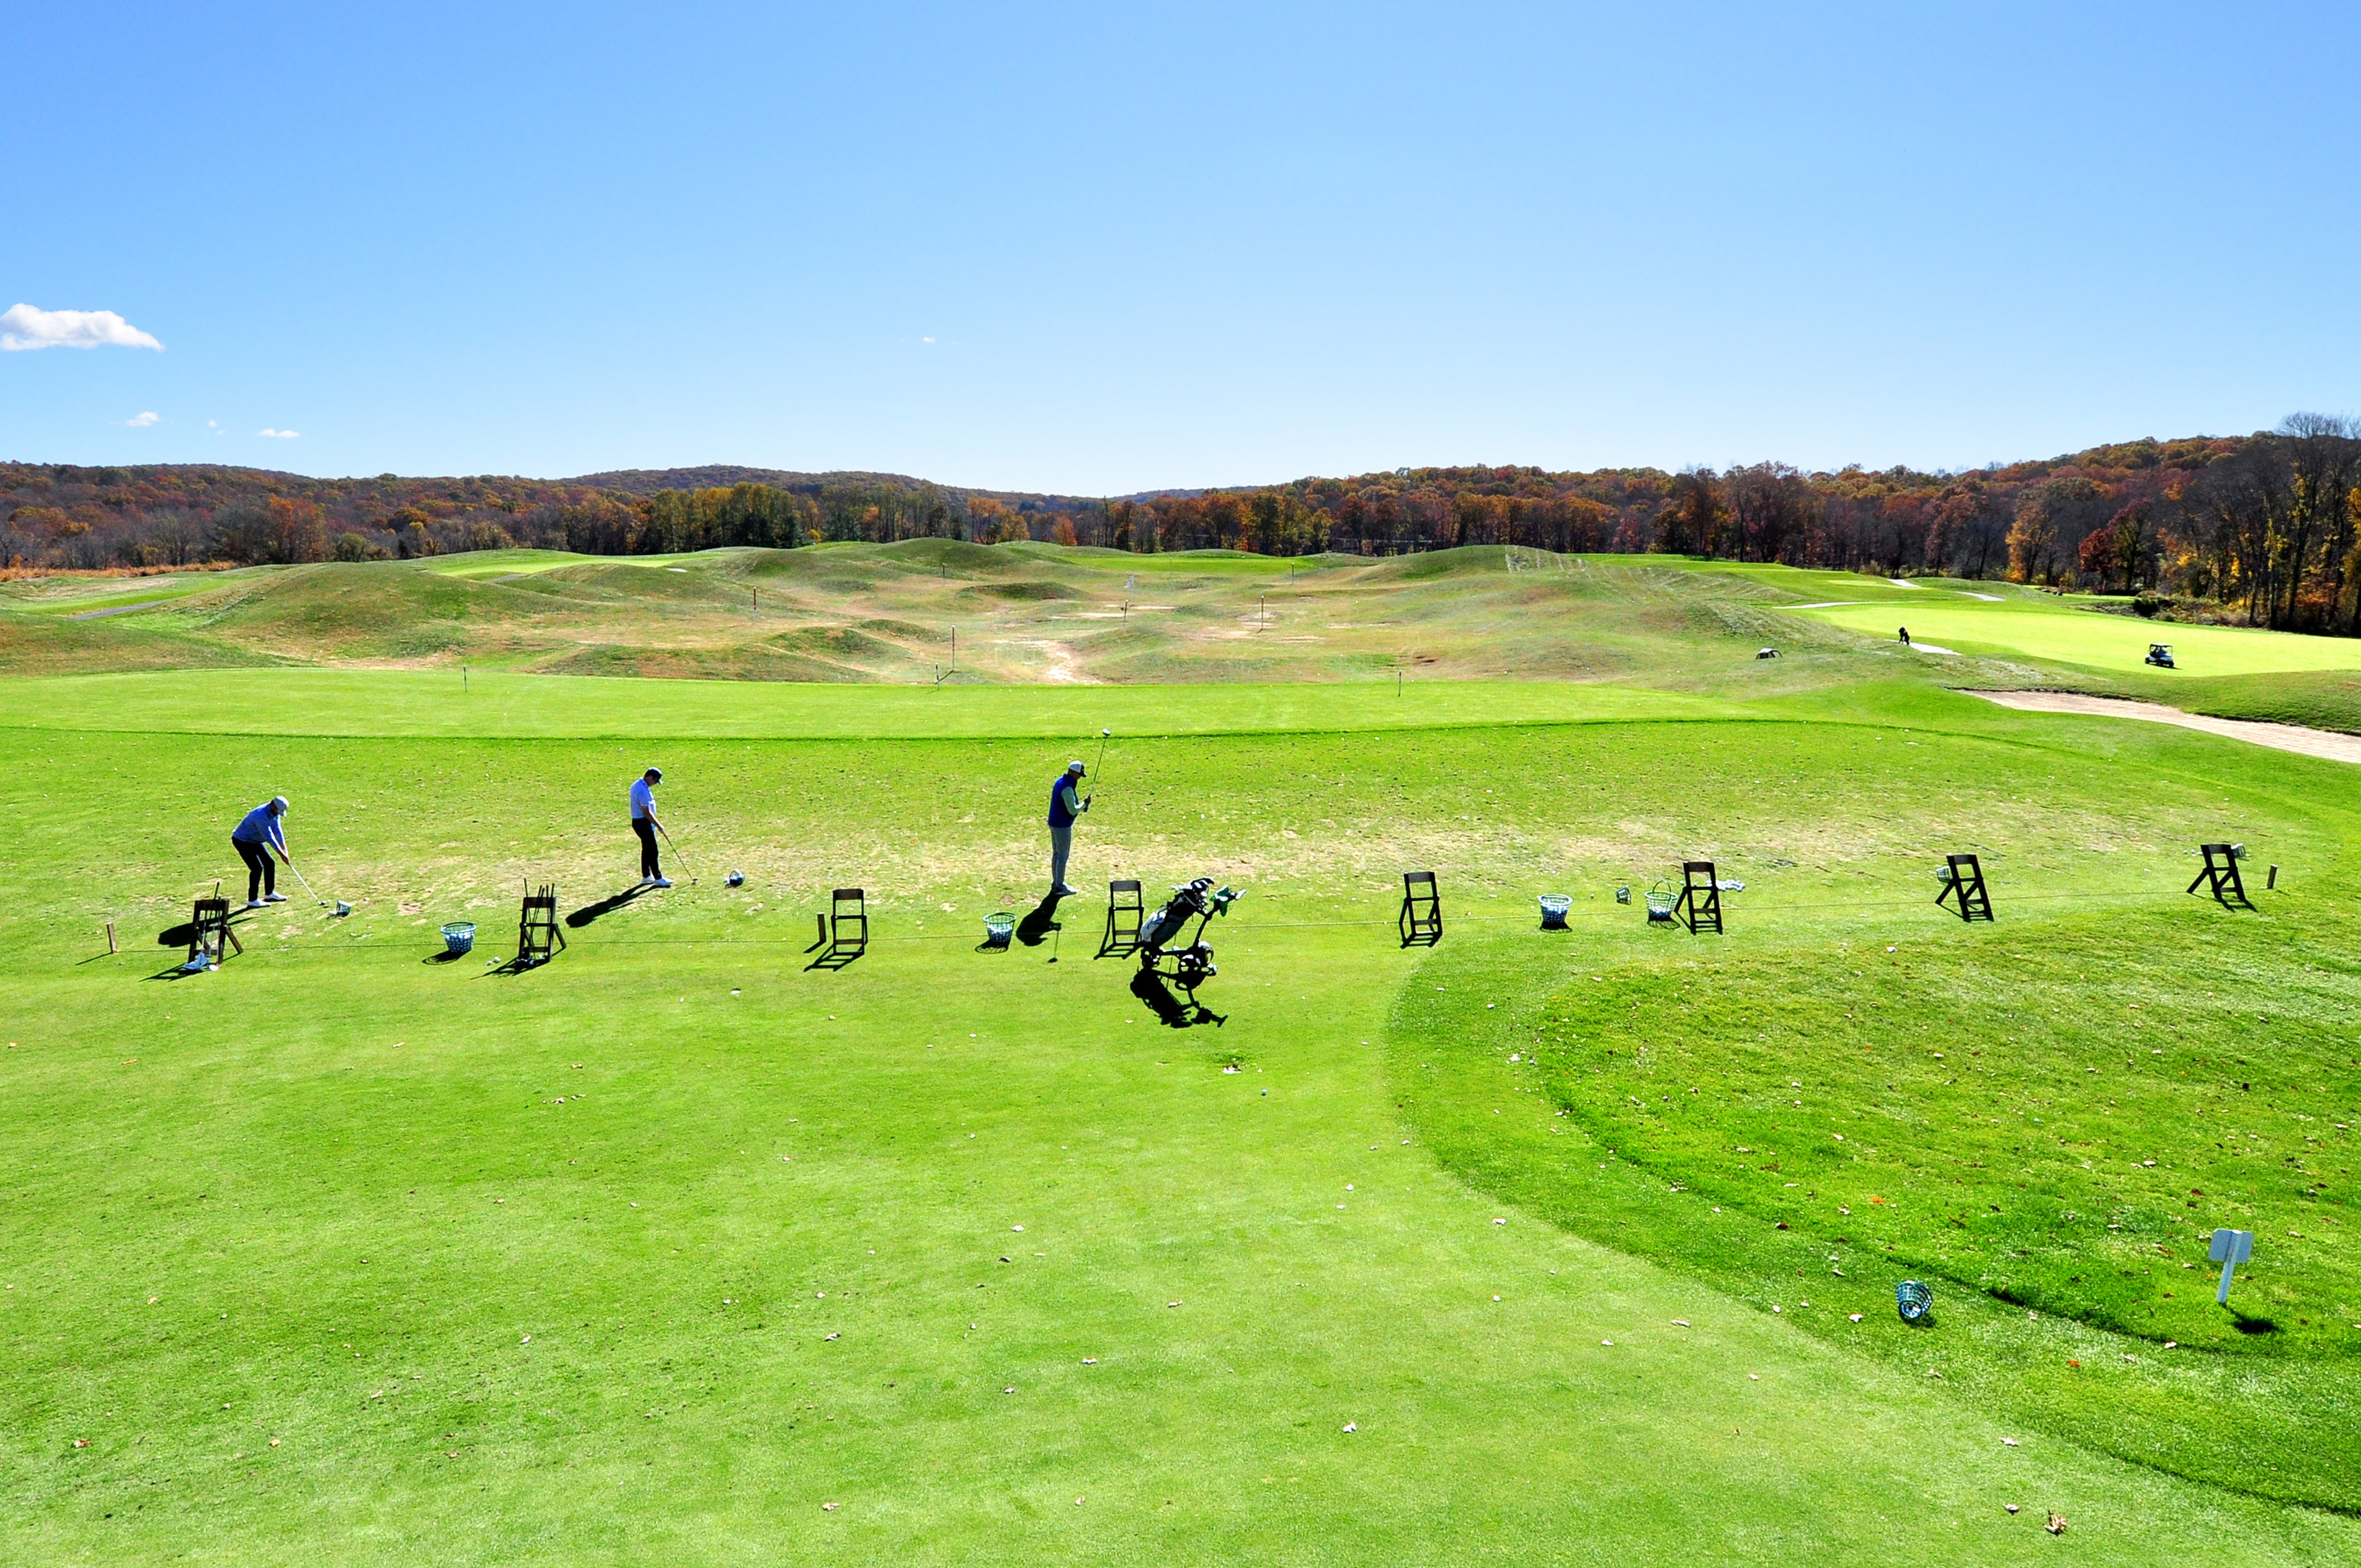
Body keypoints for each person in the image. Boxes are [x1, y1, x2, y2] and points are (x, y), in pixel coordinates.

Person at [231, 796, 291, 909]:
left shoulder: (274, 813)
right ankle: (252, 900)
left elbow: (277, 830)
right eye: (277, 811)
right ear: (273, 805)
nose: (277, 814)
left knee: (270, 863)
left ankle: (269, 894)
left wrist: (285, 849)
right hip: (242, 841)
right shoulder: (260, 816)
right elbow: (269, 838)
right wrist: (282, 855)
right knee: (257, 868)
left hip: (255, 840)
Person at [1047, 759, 1088, 895]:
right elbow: (1072, 810)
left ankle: (1056, 883)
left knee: (1057, 854)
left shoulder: (1060, 782)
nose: (1080, 778)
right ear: (1074, 773)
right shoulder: (1068, 788)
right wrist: (1085, 804)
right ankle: (1059, 886)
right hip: (1062, 826)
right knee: (1062, 856)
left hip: (1054, 823)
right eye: (1079, 775)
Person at [630, 767, 672, 889]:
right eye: (655, 780)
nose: (655, 783)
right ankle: (658, 878)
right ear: (649, 777)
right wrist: (659, 825)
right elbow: (647, 812)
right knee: (653, 850)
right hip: (644, 823)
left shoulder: (637, 785)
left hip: (640, 823)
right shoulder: (643, 790)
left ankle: (647, 876)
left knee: (647, 849)